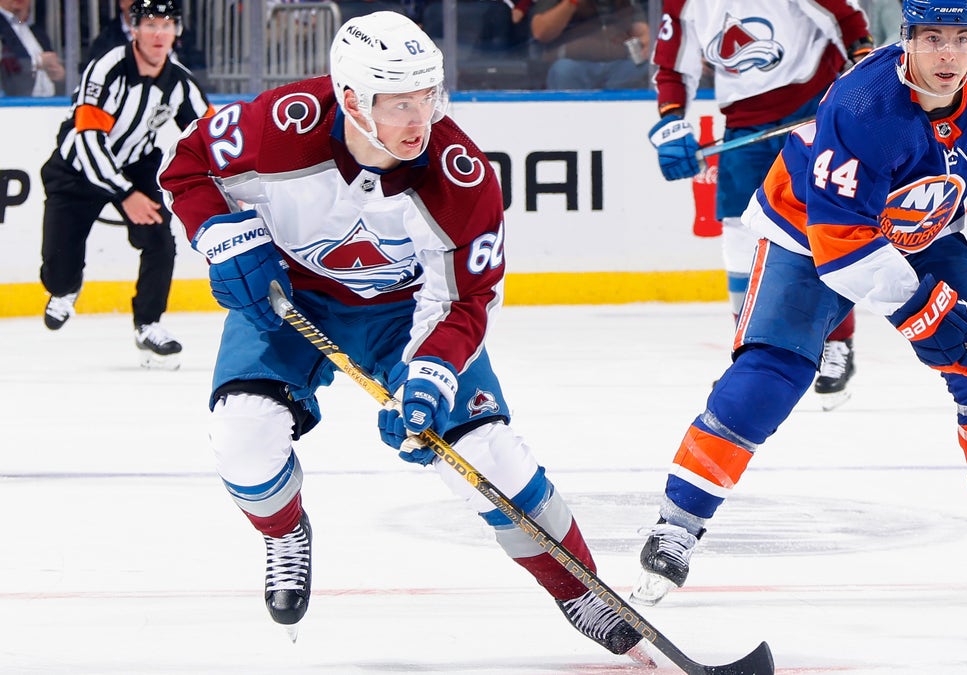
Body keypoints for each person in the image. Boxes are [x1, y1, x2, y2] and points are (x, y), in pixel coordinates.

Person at [158, 11, 651, 660]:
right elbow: (188, 165)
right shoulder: (279, 125)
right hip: (293, 299)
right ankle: (284, 531)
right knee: (242, 440)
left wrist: (429, 373)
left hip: (409, 314)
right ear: (352, 99)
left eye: (429, 98)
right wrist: (223, 237)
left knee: (488, 454)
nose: (422, 121)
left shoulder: (459, 174)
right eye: (401, 105)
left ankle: (579, 588)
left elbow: (468, 296)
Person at [632, 0, 967, 607]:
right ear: (904, 39)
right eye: (932, 38)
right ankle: (676, 525)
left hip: (921, 227)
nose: (948, 55)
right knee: (768, 379)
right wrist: (924, 313)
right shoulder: (863, 106)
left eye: (963, 39)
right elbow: (842, 248)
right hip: (809, 234)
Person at [646, 1, 873, 410]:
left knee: (823, 226)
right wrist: (670, 118)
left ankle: (837, 343)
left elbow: (847, 20)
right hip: (743, 121)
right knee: (738, 235)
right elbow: (673, 66)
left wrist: (864, 70)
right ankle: (749, 349)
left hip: (813, 106)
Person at [39, 0, 212, 370]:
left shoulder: (180, 82)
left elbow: (209, 135)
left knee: (160, 241)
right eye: (150, 25)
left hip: (135, 166)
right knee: (57, 270)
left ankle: (148, 323)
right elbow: (87, 139)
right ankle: (66, 288)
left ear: (177, 32)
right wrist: (124, 193)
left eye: (167, 25)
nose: (159, 34)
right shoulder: (106, 69)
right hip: (76, 170)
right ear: (134, 30)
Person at [530, 0, 650, 90]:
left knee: (646, 69)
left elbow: (642, 30)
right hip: (574, 63)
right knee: (563, 71)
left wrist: (645, 42)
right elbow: (540, 32)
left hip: (618, 64)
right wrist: (572, 2)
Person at [0, 0, 65, 96]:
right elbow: (4, 65)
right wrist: (38, 62)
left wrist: (60, 76)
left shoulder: (38, 33)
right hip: (11, 106)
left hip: (49, 106)